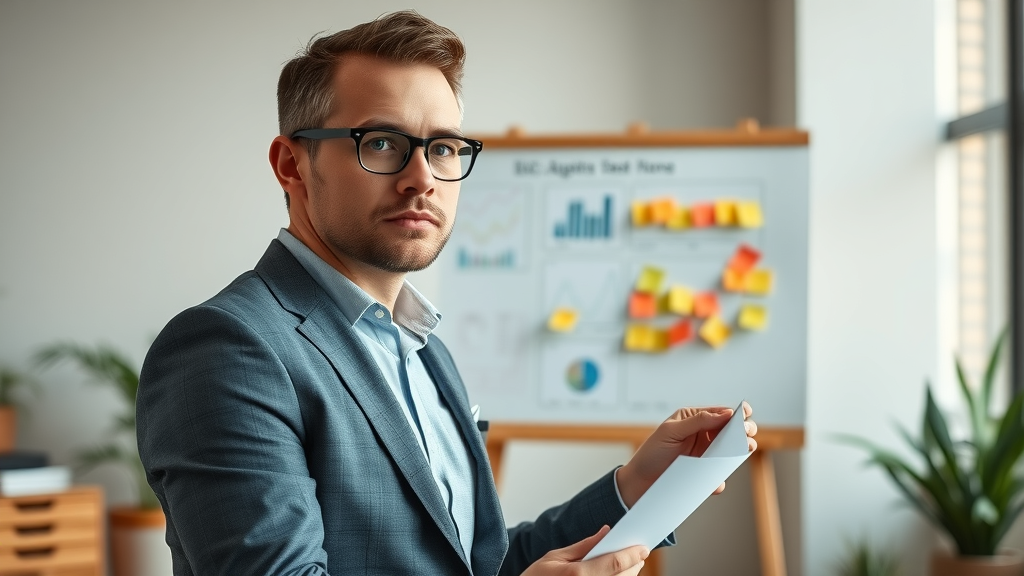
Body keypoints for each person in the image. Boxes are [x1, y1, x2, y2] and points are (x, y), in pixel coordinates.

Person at [136, 10, 757, 576]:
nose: (422, 179)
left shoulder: (424, 350)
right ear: (292, 165)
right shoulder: (227, 350)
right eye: (380, 143)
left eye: (443, 147)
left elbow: (477, 564)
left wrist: (634, 489)